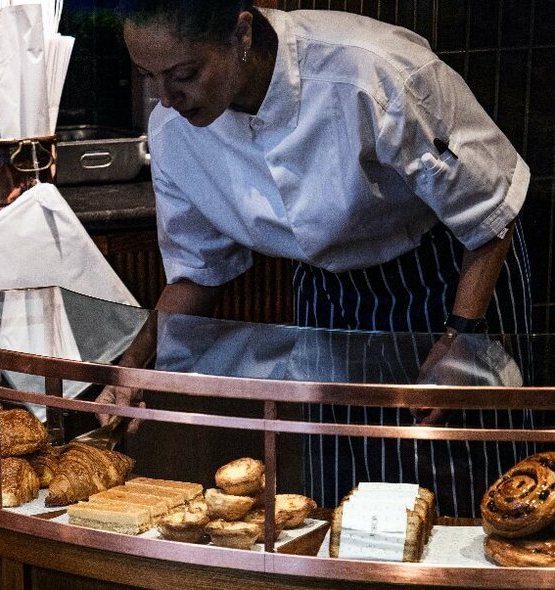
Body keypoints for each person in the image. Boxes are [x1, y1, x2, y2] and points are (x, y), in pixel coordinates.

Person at [95, 0, 538, 518]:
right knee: (340, 483)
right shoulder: (174, 133)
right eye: (150, 78)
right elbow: (197, 272)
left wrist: (462, 337)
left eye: (184, 75)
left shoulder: (370, 72)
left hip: (445, 273)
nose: (167, 100)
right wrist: (134, 368)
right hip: (326, 292)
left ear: (241, 33)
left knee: (457, 477)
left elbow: (489, 213)